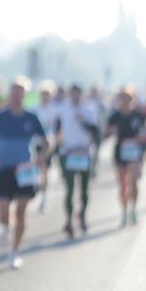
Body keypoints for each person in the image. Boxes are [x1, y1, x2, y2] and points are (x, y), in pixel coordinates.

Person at [0, 77, 50, 269]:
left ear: (25, 95)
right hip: (3, 169)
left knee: (21, 210)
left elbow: (46, 142)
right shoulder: (0, 116)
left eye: (21, 92)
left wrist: (41, 157)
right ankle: (6, 226)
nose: (17, 96)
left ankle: (14, 251)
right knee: (3, 211)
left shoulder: (31, 117)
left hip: (25, 171)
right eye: (14, 92)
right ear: (9, 95)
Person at [104, 87, 146, 226]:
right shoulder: (115, 116)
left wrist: (144, 134)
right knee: (122, 184)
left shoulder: (138, 115)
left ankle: (134, 209)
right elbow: (106, 132)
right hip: (120, 152)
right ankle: (124, 211)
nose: (124, 102)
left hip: (135, 151)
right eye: (122, 99)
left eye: (127, 99)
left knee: (134, 182)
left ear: (133, 100)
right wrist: (110, 131)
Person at [56, 84, 99, 238]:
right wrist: (60, 145)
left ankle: (82, 215)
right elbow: (57, 129)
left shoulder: (88, 110)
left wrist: (84, 122)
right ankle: (68, 220)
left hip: (84, 153)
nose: (74, 97)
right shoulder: (63, 109)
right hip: (68, 153)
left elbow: (95, 131)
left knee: (84, 189)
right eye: (72, 94)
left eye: (77, 94)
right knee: (69, 188)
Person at [33, 81, 60, 214]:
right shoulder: (34, 109)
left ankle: (44, 198)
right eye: (43, 94)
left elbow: (57, 130)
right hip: (35, 143)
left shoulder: (55, 111)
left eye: (47, 94)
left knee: (44, 170)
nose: (45, 97)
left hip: (48, 144)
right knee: (37, 170)